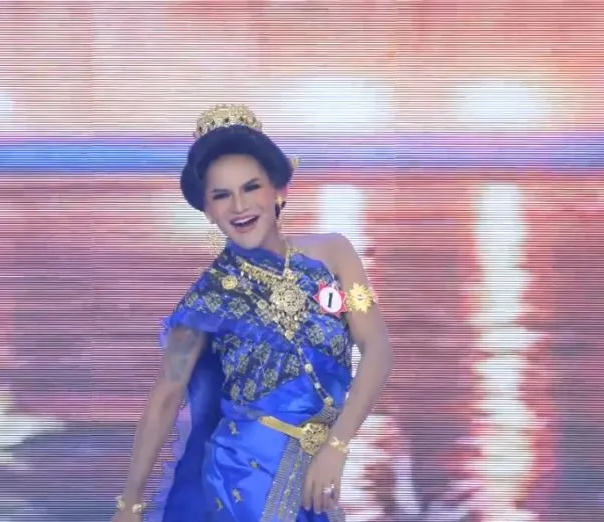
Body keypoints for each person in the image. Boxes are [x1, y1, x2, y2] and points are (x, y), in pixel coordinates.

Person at [111, 104, 394, 522]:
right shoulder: (207, 300)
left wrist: (337, 447)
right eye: (221, 195)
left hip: (316, 472)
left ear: (279, 190)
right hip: (242, 477)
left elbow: (377, 349)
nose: (239, 206)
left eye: (251, 187)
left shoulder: (334, 254)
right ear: (207, 210)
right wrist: (130, 504)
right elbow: (165, 397)